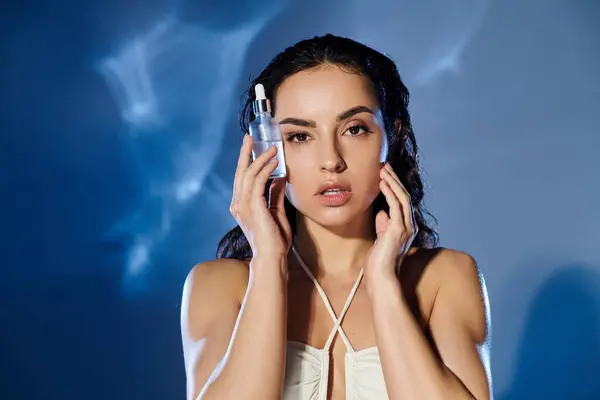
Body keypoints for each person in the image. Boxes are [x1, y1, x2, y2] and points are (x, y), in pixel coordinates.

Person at [180, 34, 492, 399]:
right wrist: (268, 264)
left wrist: (384, 285)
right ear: (267, 148)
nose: (331, 160)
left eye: (354, 129)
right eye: (299, 136)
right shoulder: (220, 287)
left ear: (391, 134)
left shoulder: (443, 279)